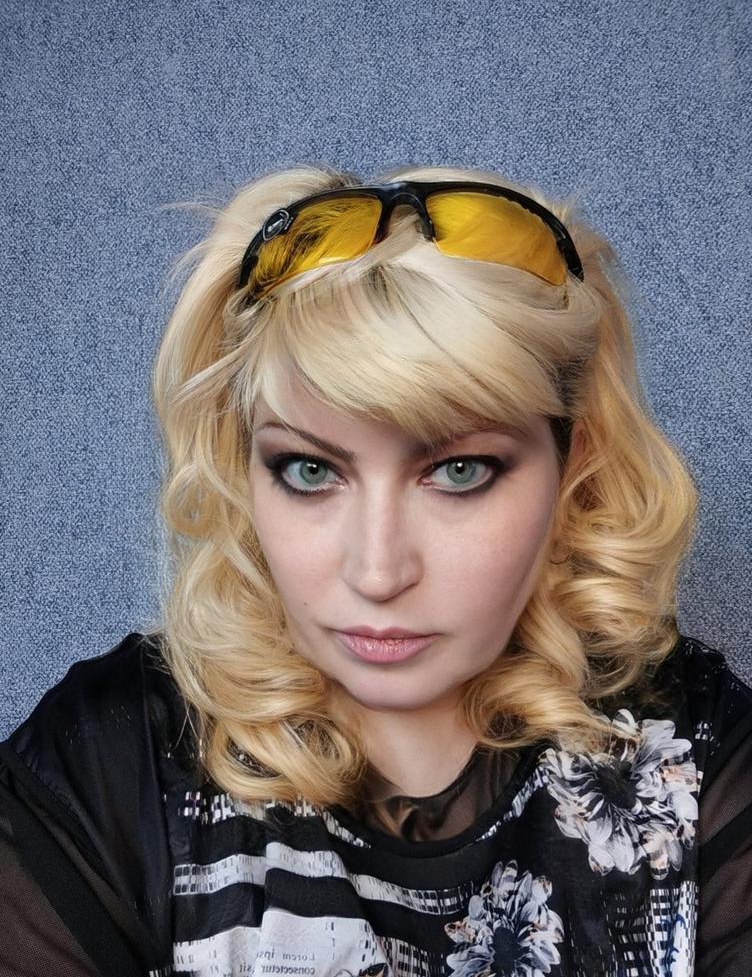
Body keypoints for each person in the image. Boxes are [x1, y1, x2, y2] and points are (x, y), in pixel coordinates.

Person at [0, 164, 750, 977]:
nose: (378, 572)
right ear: (242, 471)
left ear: (574, 465)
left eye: (459, 471)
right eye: (310, 471)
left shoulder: (695, 760)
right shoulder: (113, 767)